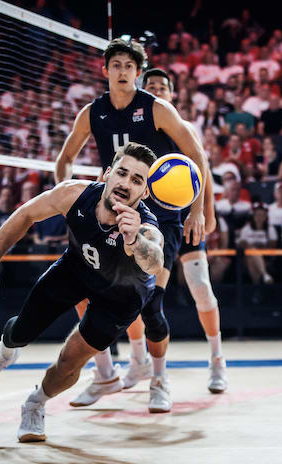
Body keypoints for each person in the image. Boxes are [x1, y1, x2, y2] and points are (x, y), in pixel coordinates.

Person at [0, 142, 164, 442]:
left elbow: (155, 261)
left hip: (120, 299)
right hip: (76, 269)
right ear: (106, 174)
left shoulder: (145, 226)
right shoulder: (75, 194)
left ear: (145, 193)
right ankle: (3, 352)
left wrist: (135, 239)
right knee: (22, 330)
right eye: (122, 173)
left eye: (137, 180)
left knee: (70, 362)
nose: (126, 183)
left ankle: (35, 403)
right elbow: (24, 215)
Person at [54, 40, 208, 413]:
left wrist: (199, 209)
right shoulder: (93, 112)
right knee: (80, 286)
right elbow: (65, 160)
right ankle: (105, 373)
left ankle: (159, 378)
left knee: (150, 306)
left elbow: (196, 153)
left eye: (129, 66)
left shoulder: (156, 107)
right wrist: (67, 203)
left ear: (138, 72)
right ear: (105, 70)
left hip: (159, 218)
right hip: (111, 216)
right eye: (116, 64)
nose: (122, 71)